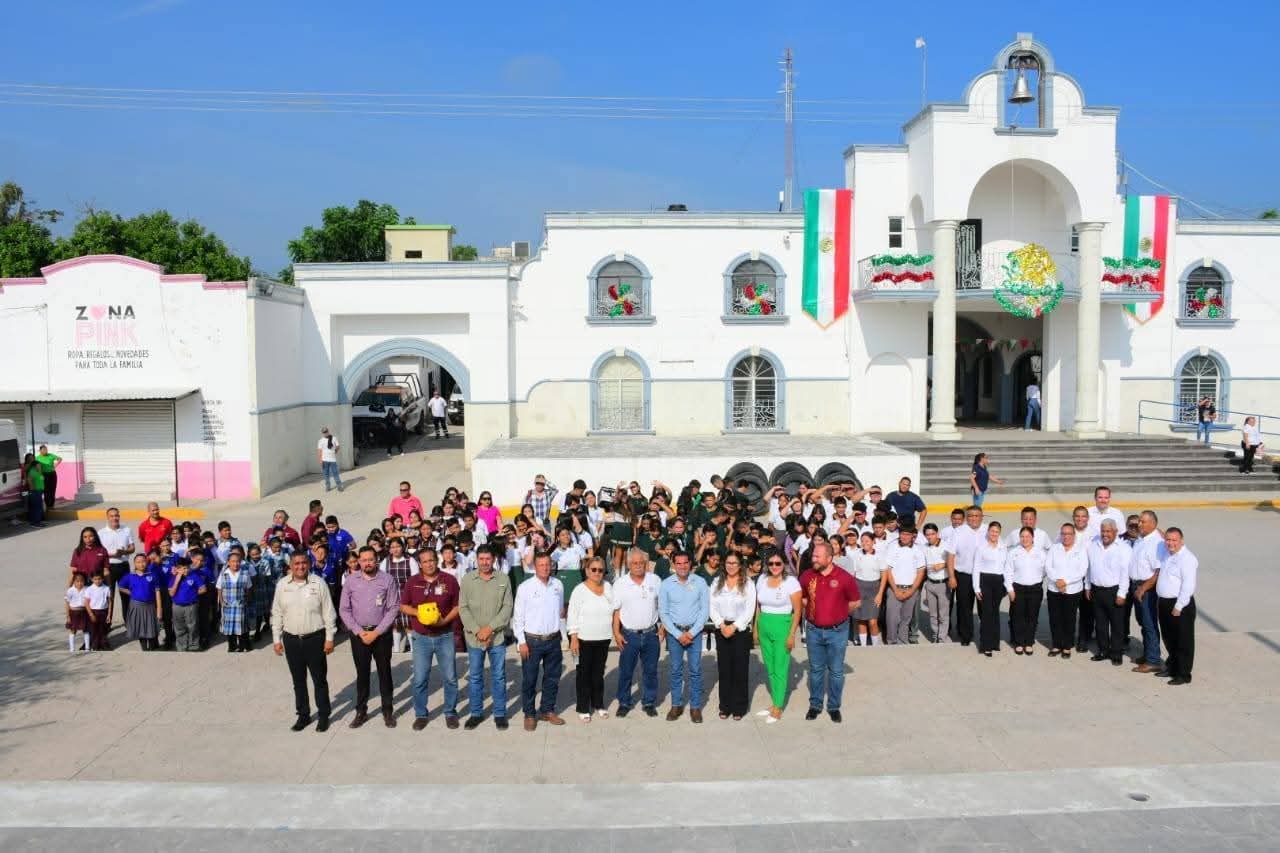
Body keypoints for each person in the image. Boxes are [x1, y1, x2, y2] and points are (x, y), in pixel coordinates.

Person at [271, 551, 337, 732]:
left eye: (303, 563)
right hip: (291, 640)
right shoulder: (282, 585)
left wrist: (330, 638)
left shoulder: (318, 583)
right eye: (296, 563)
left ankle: (323, 715)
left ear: (308, 564)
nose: (300, 567)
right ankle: (303, 715)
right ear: (290, 566)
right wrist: (277, 639)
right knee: (298, 681)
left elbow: (329, 613)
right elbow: (277, 613)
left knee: (319, 680)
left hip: (315, 638)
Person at [340, 546, 401, 728]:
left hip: (381, 634)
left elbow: (393, 607)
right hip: (359, 634)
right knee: (362, 674)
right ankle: (361, 711)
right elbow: (344, 609)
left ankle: (387, 710)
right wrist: (359, 631)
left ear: (376, 560)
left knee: (384, 672)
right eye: (363, 560)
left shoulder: (387, 579)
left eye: (370, 559)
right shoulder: (351, 581)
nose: (367, 563)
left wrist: (377, 632)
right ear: (359, 561)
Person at [800, 542, 860, 721]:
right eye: (813, 556)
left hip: (838, 632)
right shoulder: (807, 576)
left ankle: (833, 706)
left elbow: (855, 602)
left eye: (817, 557)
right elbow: (802, 597)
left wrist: (839, 614)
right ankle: (815, 704)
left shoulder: (844, 577)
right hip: (813, 630)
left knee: (835, 671)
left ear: (829, 558)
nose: (813, 559)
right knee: (816, 669)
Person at [459, 548, 514, 730]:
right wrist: (477, 631)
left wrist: (489, 629)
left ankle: (499, 714)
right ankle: (476, 713)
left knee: (498, 676)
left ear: (493, 559)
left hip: (496, 637)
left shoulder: (503, 579)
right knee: (475, 677)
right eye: (481, 559)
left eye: (487, 558)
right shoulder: (467, 580)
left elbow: (507, 608)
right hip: (474, 639)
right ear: (476, 560)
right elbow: (463, 608)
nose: (484, 562)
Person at [512, 552, 566, 730]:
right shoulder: (525, 587)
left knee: (552, 678)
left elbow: (559, 613)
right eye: (541, 565)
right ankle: (529, 713)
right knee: (530, 679)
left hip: (553, 640)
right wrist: (521, 641)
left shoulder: (558, 585)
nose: (545, 568)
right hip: (531, 641)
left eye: (547, 564)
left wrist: (563, 636)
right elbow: (518, 617)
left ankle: (547, 710)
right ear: (535, 567)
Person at [659, 551, 710, 723]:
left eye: (685, 562)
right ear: (673, 564)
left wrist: (692, 632)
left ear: (690, 563)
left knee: (695, 670)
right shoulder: (666, 584)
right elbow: (663, 613)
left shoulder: (700, 582)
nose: (682, 566)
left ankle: (695, 707)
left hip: (694, 634)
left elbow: (704, 610)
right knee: (675, 671)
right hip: (675, 635)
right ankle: (676, 705)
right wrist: (678, 634)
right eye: (678, 563)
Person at [612, 547, 663, 718]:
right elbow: (616, 611)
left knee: (650, 671)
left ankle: (648, 702)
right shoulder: (620, 584)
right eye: (635, 563)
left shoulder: (655, 580)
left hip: (651, 634)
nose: (638, 566)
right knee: (626, 671)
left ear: (646, 563)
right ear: (628, 565)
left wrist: (662, 629)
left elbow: (662, 606)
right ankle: (624, 702)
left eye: (641, 562)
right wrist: (616, 633)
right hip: (629, 635)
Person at [754, 552, 801, 723]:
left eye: (778, 563)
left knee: (780, 668)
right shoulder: (761, 579)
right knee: (770, 667)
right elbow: (758, 606)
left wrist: (792, 634)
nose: (774, 566)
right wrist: (756, 628)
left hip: (782, 624)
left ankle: (778, 707)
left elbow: (797, 611)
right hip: (764, 623)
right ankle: (774, 702)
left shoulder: (791, 582)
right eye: (771, 563)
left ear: (784, 564)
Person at [708, 553, 756, 720]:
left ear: (740, 565)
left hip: (740, 630)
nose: (731, 566)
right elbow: (711, 606)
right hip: (722, 629)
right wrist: (721, 624)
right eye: (728, 562)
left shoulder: (748, 583)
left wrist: (734, 626)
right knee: (724, 669)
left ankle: (739, 707)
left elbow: (750, 609)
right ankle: (725, 706)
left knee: (740, 670)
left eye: (734, 563)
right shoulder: (717, 582)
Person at [567, 556, 614, 722]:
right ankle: (583, 707)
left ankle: (599, 704)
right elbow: (572, 614)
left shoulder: (608, 586)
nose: (597, 573)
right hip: (583, 639)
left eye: (600, 570)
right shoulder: (579, 590)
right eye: (593, 569)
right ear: (587, 570)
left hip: (604, 637)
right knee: (584, 674)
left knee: (598, 674)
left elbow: (615, 609)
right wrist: (573, 638)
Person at [1155, 528, 1198, 686]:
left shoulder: (1187, 559)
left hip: (1180, 605)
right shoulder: (1167, 554)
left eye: (1174, 540)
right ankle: (1172, 667)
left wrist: (1179, 606)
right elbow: (1156, 533)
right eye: (1168, 539)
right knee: (1169, 638)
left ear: (1182, 541)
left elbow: (1188, 586)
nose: (1170, 543)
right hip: (1164, 603)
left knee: (1183, 640)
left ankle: (1184, 674)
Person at [1086, 519, 1130, 666]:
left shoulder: (1124, 548)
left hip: (1114, 591)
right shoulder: (1093, 545)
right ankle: (1103, 650)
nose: (1105, 534)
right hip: (1097, 590)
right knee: (1100, 624)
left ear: (1115, 532)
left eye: (1108, 531)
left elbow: (1125, 573)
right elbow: (1089, 567)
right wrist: (1087, 586)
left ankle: (1116, 653)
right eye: (1103, 531)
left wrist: (1122, 594)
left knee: (1117, 624)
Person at [945, 506, 988, 646]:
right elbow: (951, 555)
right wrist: (951, 576)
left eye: (977, 516)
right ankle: (965, 636)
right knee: (964, 607)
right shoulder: (958, 531)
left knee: (985, 606)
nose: (974, 518)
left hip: (984, 576)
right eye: (970, 516)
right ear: (966, 517)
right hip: (963, 575)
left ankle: (986, 635)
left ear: (982, 517)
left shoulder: (989, 530)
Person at [1128, 510, 1165, 673]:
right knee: (1143, 622)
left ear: (1153, 524)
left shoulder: (1156, 543)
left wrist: (1143, 588)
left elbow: (1158, 570)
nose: (1139, 524)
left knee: (1149, 624)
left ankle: (1153, 660)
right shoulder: (1141, 539)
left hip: (1147, 589)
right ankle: (1148, 652)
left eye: (1143, 522)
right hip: (1137, 587)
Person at [1045, 523, 1088, 659]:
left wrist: (1065, 582)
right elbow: (1048, 566)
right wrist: (1058, 581)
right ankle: (1057, 644)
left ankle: (1067, 646)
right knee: (1055, 618)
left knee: (1069, 619)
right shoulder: (1054, 548)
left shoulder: (1080, 550)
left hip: (1073, 590)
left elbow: (1082, 570)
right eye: (1063, 534)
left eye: (1069, 534)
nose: (1066, 536)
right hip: (1054, 589)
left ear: (1074, 535)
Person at [1005, 527, 1047, 656]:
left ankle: (1028, 642)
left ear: (1033, 537)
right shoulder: (1014, 552)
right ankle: (1018, 642)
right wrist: (1010, 589)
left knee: (1032, 617)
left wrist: (1037, 579)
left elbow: (1046, 570)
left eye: (1027, 536)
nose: (1025, 539)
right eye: (1022, 536)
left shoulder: (1040, 552)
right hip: (1018, 589)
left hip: (1035, 589)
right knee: (1018, 616)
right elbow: (1008, 571)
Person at [882, 527, 925, 646]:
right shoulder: (892, 548)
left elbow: (920, 572)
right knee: (892, 618)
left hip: (911, 589)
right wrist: (895, 590)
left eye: (907, 534)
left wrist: (911, 590)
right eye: (902, 534)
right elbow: (888, 570)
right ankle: (892, 641)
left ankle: (903, 641)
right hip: (894, 588)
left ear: (913, 536)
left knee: (906, 618)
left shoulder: (918, 550)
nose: (904, 536)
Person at [98, 508, 135, 639]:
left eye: (117, 516)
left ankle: (128, 622)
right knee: (109, 595)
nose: (115, 518)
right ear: (107, 517)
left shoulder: (126, 530)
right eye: (112, 516)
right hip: (108, 567)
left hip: (123, 565)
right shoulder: (101, 533)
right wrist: (112, 554)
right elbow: (99, 552)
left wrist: (124, 552)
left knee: (126, 594)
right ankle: (107, 623)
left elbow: (132, 548)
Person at [972, 521, 1007, 657]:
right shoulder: (981, 547)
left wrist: (1006, 585)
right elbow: (976, 568)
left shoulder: (1003, 547)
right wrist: (976, 587)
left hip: (999, 582)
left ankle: (994, 642)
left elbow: (1006, 567)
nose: (994, 534)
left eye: (997, 532)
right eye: (992, 531)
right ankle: (985, 645)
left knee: (995, 613)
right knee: (987, 614)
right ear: (988, 532)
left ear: (999, 533)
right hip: (985, 581)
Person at [380, 537, 418, 653]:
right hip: (391, 595)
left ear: (403, 547)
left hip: (407, 595)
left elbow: (415, 579)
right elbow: (382, 579)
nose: (395, 549)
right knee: (395, 623)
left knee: (408, 623)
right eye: (392, 547)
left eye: (398, 546)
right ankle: (396, 649)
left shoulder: (410, 560)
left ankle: (413, 648)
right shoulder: (385, 561)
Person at [850, 532, 886, 646]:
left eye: (867, 541)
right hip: (859, 587)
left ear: (873, 541)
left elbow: (884, 576)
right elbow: (853, 574)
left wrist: (880, 594)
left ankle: (875, 646)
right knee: (861, 619)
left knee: (873, 621)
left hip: (874, 589)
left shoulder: (880, 555)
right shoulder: (857, 554)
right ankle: (864, 645)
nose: (864, 543)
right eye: (863, 541)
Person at [119, 555, 162, 651]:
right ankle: (144, 649)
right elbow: (121, 587)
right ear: (134, 564)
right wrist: (131, 593)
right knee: (140, 629)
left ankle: (152, 649)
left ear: (147, 562)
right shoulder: (129, 576)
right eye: (138, 562)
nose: (141, 564)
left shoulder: (152, 575)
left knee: (151, 628)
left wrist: (159, 609)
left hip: (150, 605)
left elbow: (157, 593)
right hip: (136, 605)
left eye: (143, 561)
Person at [920, 524, 953, 643]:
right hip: (930, 583)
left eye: (932, 534)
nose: (930, 537)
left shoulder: (946, 545)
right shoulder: (923, 547)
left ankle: (942, 637)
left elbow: (955, 560)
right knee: (933, 613)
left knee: (943, 613)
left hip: (943, 583)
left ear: (937, 533)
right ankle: (935, 633)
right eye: (927, 535)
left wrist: (943, 565)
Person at [217, 552, 253, 652]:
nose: (235, 564)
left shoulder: (245, 574)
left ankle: (242, 646)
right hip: (227, 605)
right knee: (229, 628)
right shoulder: (223, 574)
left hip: (240, 605)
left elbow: (249, 588)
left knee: (241, 627)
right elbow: (219, 588)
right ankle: (232, 646)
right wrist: (221, 601)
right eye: (233, 561)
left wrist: (247, 600)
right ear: (228, 562)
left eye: (238, 561)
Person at [169, 556, 206, 651]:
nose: (184, 570)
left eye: (186, 568)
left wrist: (193, 594)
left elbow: (203, 589)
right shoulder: (173, 578)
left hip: (191, 605)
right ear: (177, 568)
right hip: (177, 606)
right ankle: (182, 646)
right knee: (179, 627)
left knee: (192, 626)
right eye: (181, 568)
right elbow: (171, 593)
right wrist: (177, 580)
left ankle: (194, 645)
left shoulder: (193, 576)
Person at [84, 570, 112, 651]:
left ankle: (103, 644)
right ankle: (94, 645)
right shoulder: (89, 589)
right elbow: (86, 602)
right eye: (95, 579)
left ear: (102, 579)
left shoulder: (106, 588)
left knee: (103, 629)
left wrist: (109, 614)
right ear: (92, 579)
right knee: (93, 629)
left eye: (99, 579)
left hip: (103, 611)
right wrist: (91, 614)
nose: (97, 581)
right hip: (93, 611)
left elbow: (110, 601)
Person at [65, 572, 90, 652]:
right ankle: (72, 648)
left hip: (83, 611)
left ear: (84, 581)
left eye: (81, 581)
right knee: (73, 630)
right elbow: (67, 603)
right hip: (73, 612)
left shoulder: (87, 589)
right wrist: (68, 616)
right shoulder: (70, 590)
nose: (79, 583)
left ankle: (87, 647)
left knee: (85, 629)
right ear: (74, 582)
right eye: (77, 581)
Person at [21, 453, 45, 527]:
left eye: (32, 457)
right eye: (39, 466)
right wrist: (33, 489)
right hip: (33, 491)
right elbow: (28, 479)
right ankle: (35, 522)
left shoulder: (38, 471)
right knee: (36, 507)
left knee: (37, 506)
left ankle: (37, 521)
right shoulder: (31, 470)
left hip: (38, 490)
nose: (40, 466)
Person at [35, 444, 61, 510]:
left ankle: (52, 505)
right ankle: (48, 506)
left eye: (46, 449)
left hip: (52, 474)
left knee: (52, 490)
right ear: (40, 451)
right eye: (44, 450)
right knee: (46, 491)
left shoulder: (51, 455)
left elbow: (60, 459)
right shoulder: (37, 458)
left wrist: (55, 465)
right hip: (44, 475)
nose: (45, 451)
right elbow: (36, 467)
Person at [317, 428, 343, 492]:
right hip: (324, 460)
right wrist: (320, 460)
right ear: (322, 433)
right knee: (326, 474)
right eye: (324, 432)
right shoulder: (321, 441)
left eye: (326, 431)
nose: (325, 433)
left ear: (328, 431)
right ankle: (328, 486)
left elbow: (338, 446)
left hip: (333, 460)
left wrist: (335, 452)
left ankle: (339, 486)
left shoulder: (334, 438)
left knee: (335, 473)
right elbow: (319, 451)